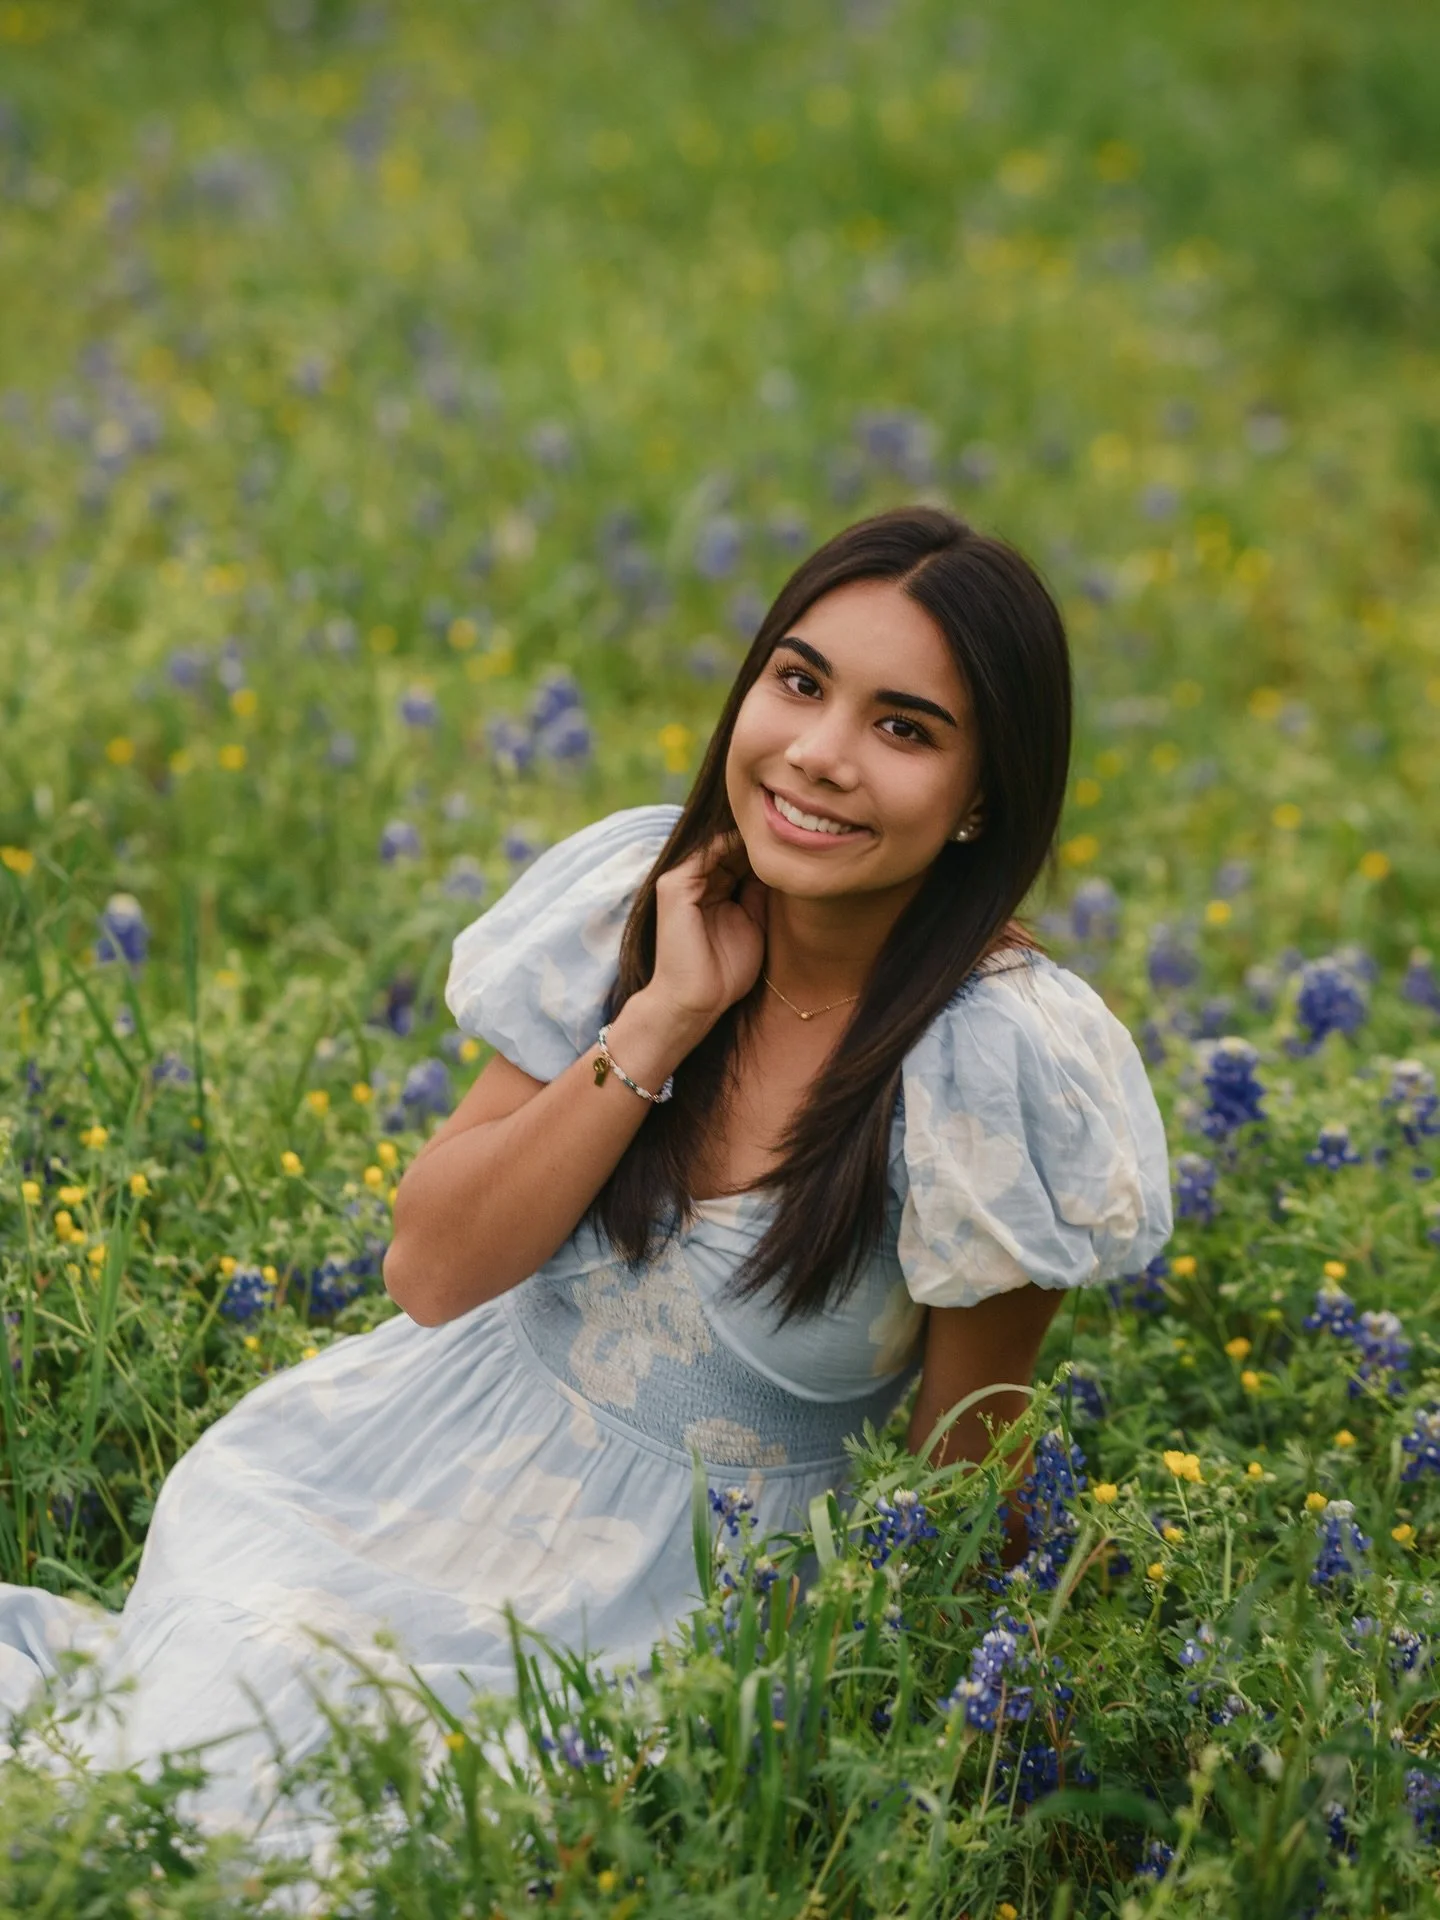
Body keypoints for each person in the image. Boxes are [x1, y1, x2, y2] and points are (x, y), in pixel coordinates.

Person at [0, 504, 1172, 1845]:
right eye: (799, 684)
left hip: (673, 1612)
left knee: (404, 1823)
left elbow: (973, 1480)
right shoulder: (643, 900)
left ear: (983, 802)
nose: (821, 755)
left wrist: (928, 1748)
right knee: (226, 1716)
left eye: (905, 728)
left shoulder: (995, 1064)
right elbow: (434, 1272)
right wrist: (663, 1019)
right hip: (387, 1482)